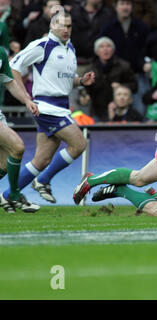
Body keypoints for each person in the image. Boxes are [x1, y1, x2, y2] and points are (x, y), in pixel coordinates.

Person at [7, 10, 95, 204]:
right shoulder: (41, 45)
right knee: (79, 144)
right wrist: (26, 99)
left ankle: (7, 196)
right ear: (52, 26)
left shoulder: (69, 47)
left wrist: (80, 81)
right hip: (46, 107)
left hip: (61, 106)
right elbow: (13, 68)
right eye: (61, 25)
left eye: (69, 26)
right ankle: (43, 180)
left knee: (42, 160)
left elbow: (63, 80)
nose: (66, 29)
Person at [0, 47, 40, 213]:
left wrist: (26, 100)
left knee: (4, 162)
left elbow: (9, 81)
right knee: (17, 147)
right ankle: (14, 195)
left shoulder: (1, 53)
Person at [99, 0, 150, 118]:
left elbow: (145, 50)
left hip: (137, 74)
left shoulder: (141, 27)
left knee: (139, 109)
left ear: (132, 6)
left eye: (128, 4)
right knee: (111, 111)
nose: (125, 7)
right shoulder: (108, 27)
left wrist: (144, 63)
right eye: (122, 4)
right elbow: (102, 50)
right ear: (116, 7)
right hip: (115, 76)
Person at [86, 36, 138, 121]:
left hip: (120, 110)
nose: (105, 49)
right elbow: (85, 89)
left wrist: (121, 86)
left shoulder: (124, 66)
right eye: (101, 46)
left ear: (113, 50)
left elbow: (134, 86)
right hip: (97, 110)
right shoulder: (90, 69)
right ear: (97, 51)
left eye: (108, 46)